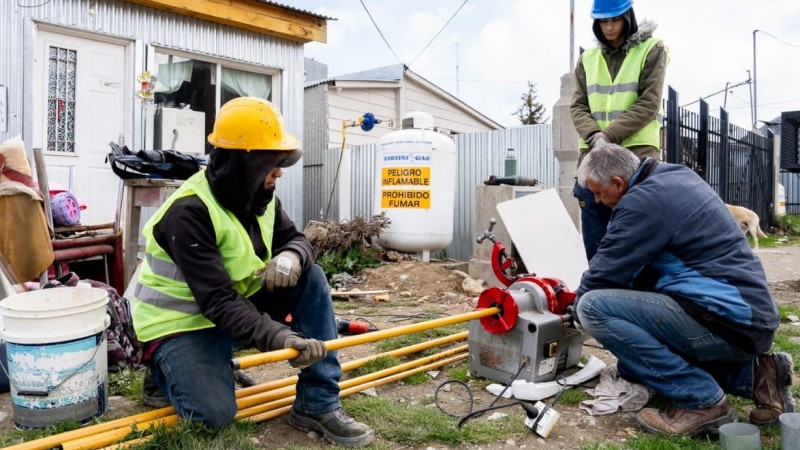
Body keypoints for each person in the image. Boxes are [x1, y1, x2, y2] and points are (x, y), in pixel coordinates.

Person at [130, 97, 374, 447]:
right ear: (243, 162)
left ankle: (318, 404)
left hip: (227, 310)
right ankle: (162, 370)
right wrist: (280, 337)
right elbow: (216, 299)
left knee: (312, 276)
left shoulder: (259, 195)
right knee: (212, 416)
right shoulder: (189, 211)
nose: (279, 171)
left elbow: (298, 240)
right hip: (178, 324)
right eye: (272, 162)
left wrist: (291, 255)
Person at [573, 143, 794, 436]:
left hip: (726, 319)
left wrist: (572, 309)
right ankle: (757, 379)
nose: (599, 202)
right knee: (637, 355)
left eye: (600, 193)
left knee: (593, 307)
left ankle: (701, 401)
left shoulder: (643, 201)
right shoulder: (675, 176)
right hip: (749, 319)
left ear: (618, 182)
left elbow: (607, 270)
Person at [571, 0, 668, 260]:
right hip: (593, 156)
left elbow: (649, 102)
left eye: (615, 19)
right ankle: (597, 289)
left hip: (635, 156)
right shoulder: (587, 59)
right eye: (603, 21)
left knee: (635, 233)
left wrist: (608, 136)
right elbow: (578, 106)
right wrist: (594, 136)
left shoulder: (651, 49)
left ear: (628, 17)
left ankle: (635, 296)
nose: (609, 26)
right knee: (595, 233)